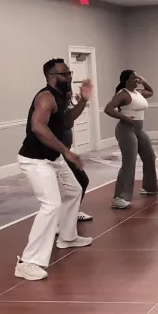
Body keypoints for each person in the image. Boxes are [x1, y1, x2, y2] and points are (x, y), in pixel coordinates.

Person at [15, 58, 93, 281]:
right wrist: (67, 152)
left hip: (53, 157)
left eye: (69, 73)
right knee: (51, 204)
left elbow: (67, 121)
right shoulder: (45, 97)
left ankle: (67, 237)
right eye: (64, 74)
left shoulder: (61, 96)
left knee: (74, 190)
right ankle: (27, 262)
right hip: (35, 160)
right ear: (51, 77)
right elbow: (37, 127)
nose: (69, 77)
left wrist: (83, 100)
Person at [104, 70, 158, 209]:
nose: (136, 80)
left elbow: (151, 92)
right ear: (126, 80)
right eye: (133, 78)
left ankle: (149, 187)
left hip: (139, 129)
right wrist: (124, 118)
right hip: (126, 130)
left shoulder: (138, 93)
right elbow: (108, 109)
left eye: (137, 78)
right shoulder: (123, 94)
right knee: (129, 161)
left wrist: (143, 80)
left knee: (150, 156)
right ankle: (120, 197)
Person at [63, 86, 93, 223]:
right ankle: (60, 219)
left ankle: (73, 212)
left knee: (82, 181)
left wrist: (80, 101)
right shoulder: (57, 111)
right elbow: (68, 120)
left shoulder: (66, 108)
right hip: (57, 155)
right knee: (62, 189)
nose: (70, 98)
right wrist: (82, 102)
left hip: (66, 153)